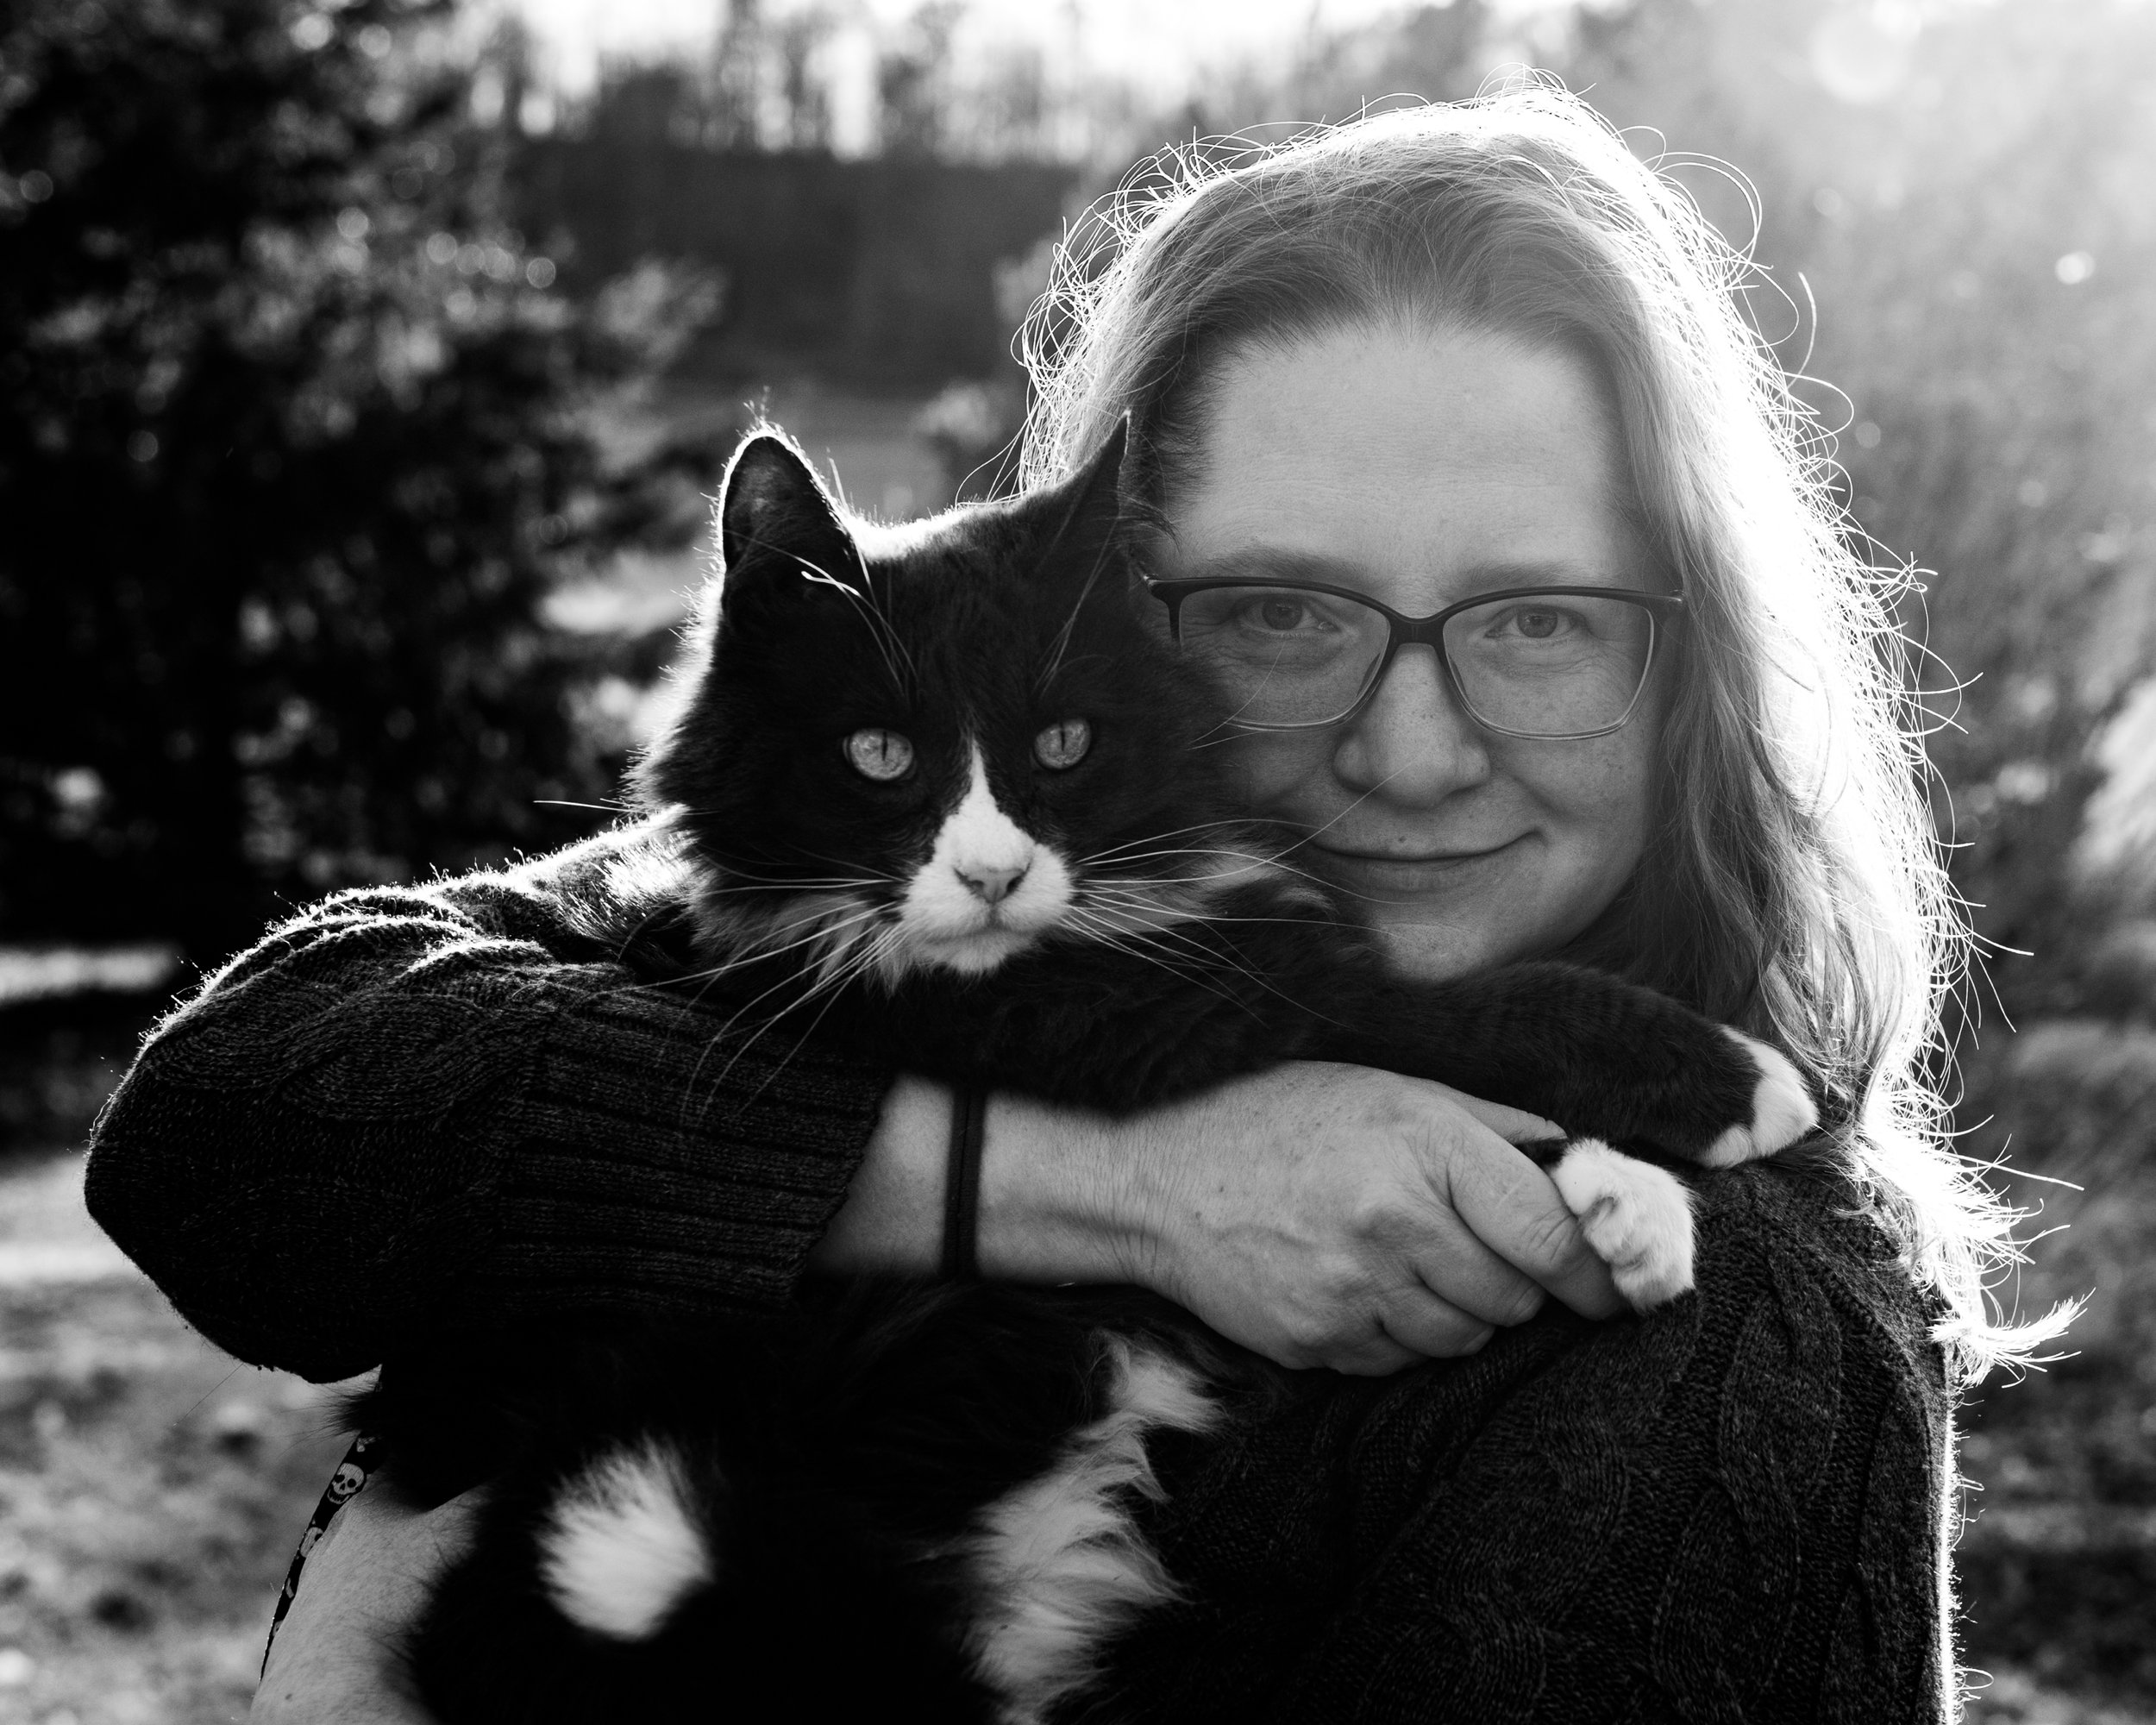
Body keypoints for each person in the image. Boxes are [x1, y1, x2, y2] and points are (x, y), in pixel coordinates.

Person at [88, 85, 2055, 1722]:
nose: (1411, 748)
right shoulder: (938, 901)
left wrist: (366, 1627)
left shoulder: (1722, 1359)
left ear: (1691, 660)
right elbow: (235, 1128)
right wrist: (1109, 1184)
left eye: (1535, 620)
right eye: (1280, 615)